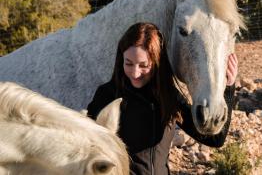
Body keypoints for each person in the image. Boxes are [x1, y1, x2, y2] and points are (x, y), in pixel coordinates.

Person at [87, 22, 238, 175]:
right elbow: (88, 147)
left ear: (157, 62)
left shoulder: (168, 96)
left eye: (143, 65)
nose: (135, 72)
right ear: (121, 60)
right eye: (129, 63)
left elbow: (215, 139)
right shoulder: (107, 95)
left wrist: (229, 87)